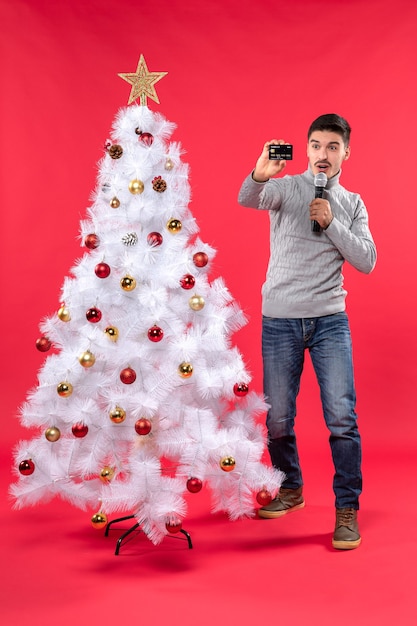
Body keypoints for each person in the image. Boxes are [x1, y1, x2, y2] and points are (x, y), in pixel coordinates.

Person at [237, 113, 376, 550]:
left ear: (345, 154)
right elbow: (248, 197)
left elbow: (368, 261)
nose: (323, 154)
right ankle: (291, 488)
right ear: (307, 148)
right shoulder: (287, 187)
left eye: (332, 147)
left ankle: (346, 509)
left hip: (330, 320)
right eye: (316, 145)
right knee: (278, 416)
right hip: (279, 317)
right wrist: (261, 172)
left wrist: (332, 221)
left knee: (341, 418)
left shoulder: (352, 203)